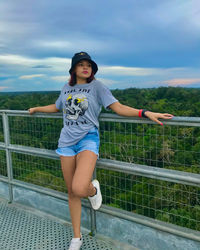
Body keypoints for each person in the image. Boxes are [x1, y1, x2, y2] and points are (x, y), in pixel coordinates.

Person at [28, 52, 173, 250]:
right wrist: (36, 108)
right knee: (71, 191)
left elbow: (118, 107)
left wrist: (145, 112)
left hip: (88, 139)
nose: (85, 67)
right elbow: (56, 107)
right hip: (66, 142)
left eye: (88, 65)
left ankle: (93, 190)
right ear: (73, 69)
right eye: (81, 64)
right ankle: (77, 237)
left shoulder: (97, 87)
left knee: (80, 187)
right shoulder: (66, 87)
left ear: (92, 69)